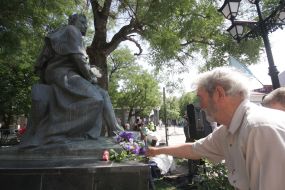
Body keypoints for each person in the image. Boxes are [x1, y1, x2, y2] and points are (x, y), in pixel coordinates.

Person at [146, 67, 285, 190]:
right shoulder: (228, 130)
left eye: (200, 98)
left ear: (219, 93)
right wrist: (157, 151)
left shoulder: (258, 129)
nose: (200, 106)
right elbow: (194, 149)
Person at [20, 13, 123, 147]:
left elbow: (72, 60)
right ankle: (51, 132)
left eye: (86, 23)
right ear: (73, 22)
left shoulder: (65, 33)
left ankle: (116, 131)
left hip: (65, 74)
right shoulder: (71, 30)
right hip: (62, 74)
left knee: (103, 94)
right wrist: (91, 76)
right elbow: (78, 58)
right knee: (96, 98)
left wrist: (89, 72)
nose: (85, 26)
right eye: (82, 22)